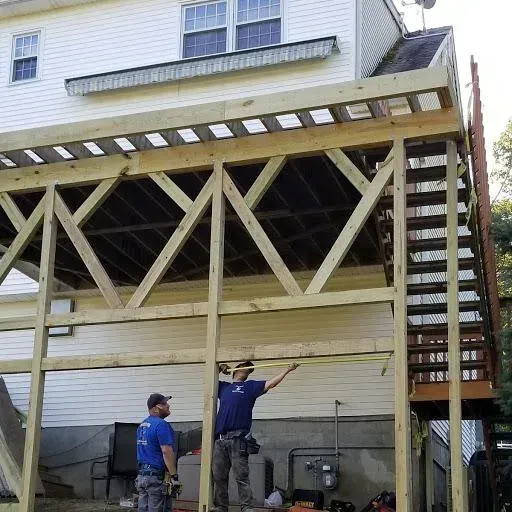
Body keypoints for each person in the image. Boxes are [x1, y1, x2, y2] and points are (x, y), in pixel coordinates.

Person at [212, 361, 299, 512]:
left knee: (241, 477)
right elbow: (209, 381)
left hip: (238, 439)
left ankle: (246, 507)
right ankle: (221, 507)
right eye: (244, 367)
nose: (247, 370)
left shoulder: (250, 387)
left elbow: (271, 383)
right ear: (236, 369)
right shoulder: (224, 387)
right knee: (219, 477)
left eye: (249, 370)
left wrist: (287, 370)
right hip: (220, 440)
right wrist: (219, 368)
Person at [136, 393, 180, 512]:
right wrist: (174, 476)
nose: (168, 405)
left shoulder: (142, 425)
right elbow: (166, 451)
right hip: (156, 477)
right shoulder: (161, 425)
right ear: (155, 408)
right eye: (164, 403)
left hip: (142, 476)